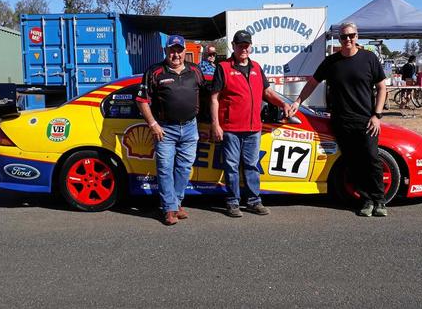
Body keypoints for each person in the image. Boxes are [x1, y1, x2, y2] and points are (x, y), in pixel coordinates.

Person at [289, 22, 388, 217]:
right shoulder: (331, 62)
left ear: (357, 36)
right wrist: (298, 101)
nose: (348, 39)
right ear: (339, 39)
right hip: (341, 122)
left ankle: (380, 201)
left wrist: (377, 115)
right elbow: (312, 82)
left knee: (371, 159)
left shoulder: (369, 58)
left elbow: (382, 87)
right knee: (353, 162)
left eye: (351, 35)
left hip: (366, 121)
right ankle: (366, 200)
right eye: (344, 37)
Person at [210, 30, 291, 217]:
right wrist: (216, 124)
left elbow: (267, 93)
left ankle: (254, 201)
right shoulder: (223, 68)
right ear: (233, 46)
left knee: (252, 166)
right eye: (240, 45)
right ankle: (232, 203)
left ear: (251, 46)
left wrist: (283, 104)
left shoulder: (256, 67)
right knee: (231, 166)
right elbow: (214, 98)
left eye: (247, 45)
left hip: (254, 128)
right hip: (230, 128)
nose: (244, 48)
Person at [135, 35, 205, 225]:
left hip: (190, 128)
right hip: (164, 129)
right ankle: (169, 209)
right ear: (166, 51)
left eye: (179, 50)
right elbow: (141, 101)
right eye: (172, 50)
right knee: (165, 169)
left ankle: (176, 202)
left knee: (184, 169)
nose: (176, 54)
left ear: (184, 51)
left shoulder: (196, 71)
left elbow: (207, 95)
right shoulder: (155, 71)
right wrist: (153, 124)